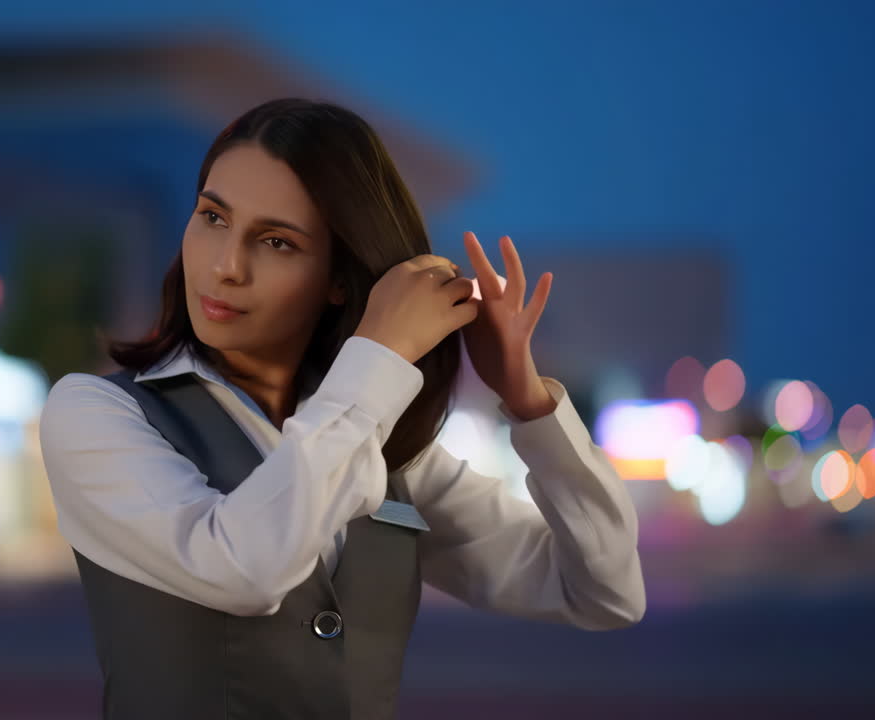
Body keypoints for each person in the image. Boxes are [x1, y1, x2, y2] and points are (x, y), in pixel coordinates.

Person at [38, 97, 645, 719]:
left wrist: (528, 399)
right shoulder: (97, 413)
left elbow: (603, 592)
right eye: (213, 218)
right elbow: (244, 569)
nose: (225, 266)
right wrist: (380, 352)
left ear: (339, 276)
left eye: (276, 241)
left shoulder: (390, 449)